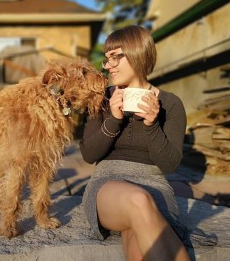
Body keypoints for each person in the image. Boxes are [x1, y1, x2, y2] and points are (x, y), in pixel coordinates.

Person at [80, 25, 216, 261]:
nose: (108, 65)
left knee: (136, 242)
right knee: (139, 200)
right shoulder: (100, 98)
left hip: (155, 186)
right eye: (107, 59)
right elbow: (89, 154)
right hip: (107, 185)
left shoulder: (170, 104)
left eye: (116, 57)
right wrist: (114, 119)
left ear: (138, 54)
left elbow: (170, 164)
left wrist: (152, 125)